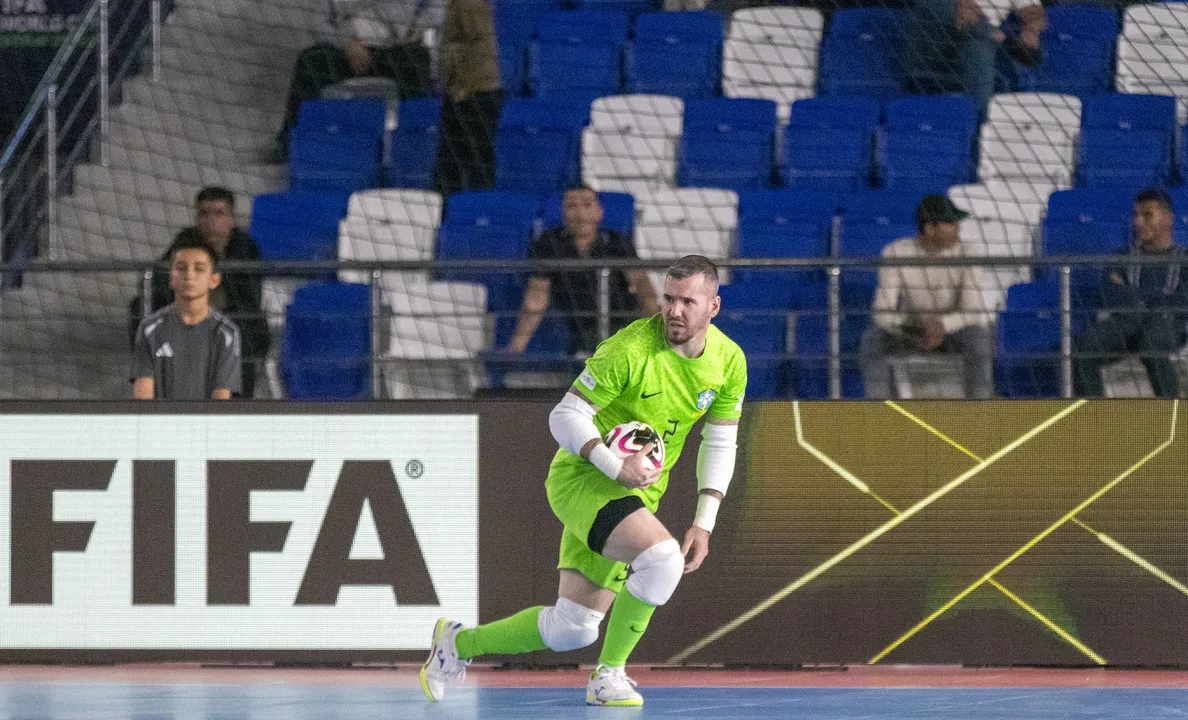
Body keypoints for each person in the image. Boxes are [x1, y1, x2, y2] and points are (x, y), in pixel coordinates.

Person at [420, 255, 747, 706]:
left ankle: (455, 645)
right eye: (668, 298)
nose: (673, 310)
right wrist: (616, 465)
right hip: (585, 479)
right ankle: (608, 676)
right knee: (663, 560)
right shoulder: (630, 349)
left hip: (635, 494)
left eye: (687, 301)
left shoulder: (729, 362)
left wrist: (704, 521)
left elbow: (720, 441)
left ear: (713, 307)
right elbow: (566, 414)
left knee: (572, 628)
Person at [128, 187, 269, 398]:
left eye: (219, 213)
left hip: (228, 318)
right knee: (139, 307)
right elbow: (158, 277)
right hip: (183, 315)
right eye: (204, 214)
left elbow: (249, 298)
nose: (211, 221)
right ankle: (149, 374)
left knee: (244, 331)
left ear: (231, 218)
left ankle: (239, 401)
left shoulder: (246, 248)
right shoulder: (186, 241)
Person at [860, 194, 995, 399]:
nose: (958, 228)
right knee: (872, 341)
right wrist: (912, 328)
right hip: (911, 331)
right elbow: (881, 312)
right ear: (930, 228)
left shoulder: (969, 253)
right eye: (950, 223)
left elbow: (973, 311)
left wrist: (942, 325)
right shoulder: (896, 253)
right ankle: (881, 412)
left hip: (954, 332)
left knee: (979, 340)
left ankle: (980, 409)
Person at [268, 0, 441, 158]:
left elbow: (439, 9)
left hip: (393, 48)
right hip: (344, 49)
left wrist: (419, 28)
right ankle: (288, 140)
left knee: (417, 59)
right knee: (311, 60)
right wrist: (347, 43)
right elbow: (317, 21)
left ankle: (415, 142)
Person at [507, 187, 660, 356]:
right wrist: (516, 347)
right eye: (572, 206)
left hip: (623, 327)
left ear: (599, 212)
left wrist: (658, 338)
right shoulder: (549, 243)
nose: (580, 214)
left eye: (587, 205)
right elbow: (536, 297)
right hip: (578, 330)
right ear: (563, 213)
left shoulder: (616, 242)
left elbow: (643, 287)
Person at [1073, 189, 1188, 399]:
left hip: (1167, 324)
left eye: (1147, 215)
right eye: (1136, 215)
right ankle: (1094, 421)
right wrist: (1156, 299)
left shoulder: (1184, 258)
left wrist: (1137, 297)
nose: (1138, 222)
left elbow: (1181, 301)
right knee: (1082, 350)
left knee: (1152, 345)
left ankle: (1173, 417)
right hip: (1126, 323)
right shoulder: (1122, 257)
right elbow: (1111, 294)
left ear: (1168, 218)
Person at [131, 236, 243, 400]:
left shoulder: (226, 333)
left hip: (206, 424)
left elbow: (221, 399)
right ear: (170, 277)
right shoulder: (149, 329)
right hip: (160, 424)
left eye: (199, 269)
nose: (189, 275)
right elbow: (143, 399)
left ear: (214, 279)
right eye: (181, 268)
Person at [902, 0, 1046, 119]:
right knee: (949, 8)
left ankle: (979, 131)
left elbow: (1032, 9)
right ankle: (1000, 39)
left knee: (978, 47)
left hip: (975, 41)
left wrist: (1031, 28)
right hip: (933, 42)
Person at [434, 0, 501, 197]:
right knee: (455, 163)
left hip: (473, 94)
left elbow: (478, 44)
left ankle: (471, 212)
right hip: (468, 91)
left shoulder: (467, 3)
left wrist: (463, 84)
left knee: (467, 163)